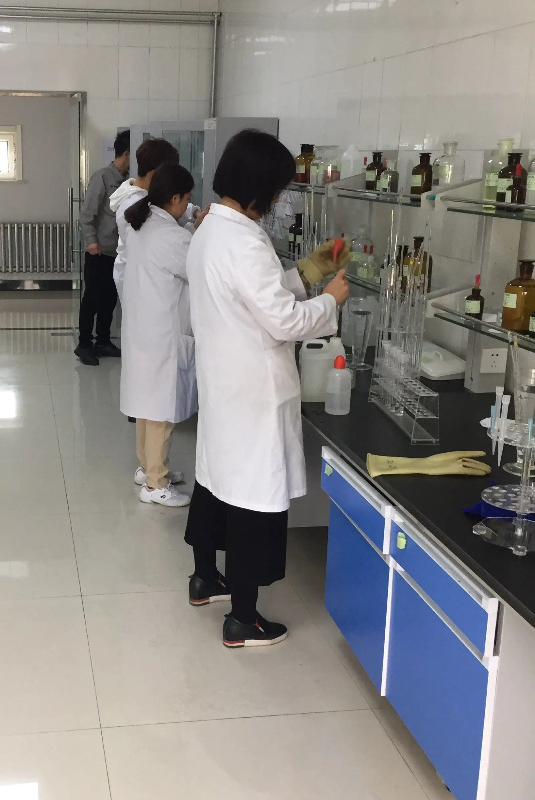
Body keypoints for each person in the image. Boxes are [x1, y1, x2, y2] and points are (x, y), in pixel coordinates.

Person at [184, 129, 350, 647]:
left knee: (217, 482)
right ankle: (243, 618)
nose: (278, 200)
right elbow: (283, 321)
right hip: (253, 390)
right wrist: (331, 298)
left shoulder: (212, 229)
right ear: (261, 189)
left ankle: (205, 578)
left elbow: (254, 294)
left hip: (224, 384)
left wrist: (309, 270)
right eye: (278, 190)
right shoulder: (244, 242)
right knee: (253, 501)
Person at [120, 164, 198, 508]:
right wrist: (200, 230)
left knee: (146, 406)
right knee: (161, 411)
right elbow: (199, 267)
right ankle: (156, 484)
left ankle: (148, 468)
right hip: (161, 335)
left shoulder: (143, 223)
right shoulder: (172, 237)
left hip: (143, 328)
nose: (188, 206)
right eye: (187, 199)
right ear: (175, 198)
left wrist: (192, 226)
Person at [109, 138, 204, 300]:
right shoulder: (133, 204)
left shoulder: (143, 195)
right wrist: (193, 227)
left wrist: (193, 212)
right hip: (142, 282)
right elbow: (166, 234)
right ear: (154, 175)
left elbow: (168, 205)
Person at [74, 129, 130, 367]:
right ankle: (84, 344)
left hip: (116, 252)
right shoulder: (102, 178)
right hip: (99, 251)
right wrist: (91, 241)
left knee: (109, 299)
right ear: (126, 153)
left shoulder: (128, 181)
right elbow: (86, 215)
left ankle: (103, 341)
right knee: (92, 299)